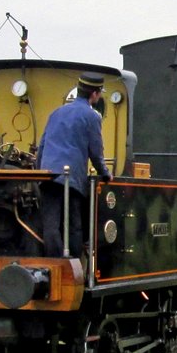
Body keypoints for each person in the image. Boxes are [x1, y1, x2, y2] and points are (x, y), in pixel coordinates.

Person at [37, 72, 113, 257]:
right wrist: (106, 173)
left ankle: (52, 265)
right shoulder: (92, 116)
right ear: (94, 94)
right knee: (74, 226)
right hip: (70, 178)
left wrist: (39, 173)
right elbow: (96, 152)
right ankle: (74, 269)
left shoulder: (56, 112)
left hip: (48, 175)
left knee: (51, 224)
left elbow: (42, 145)